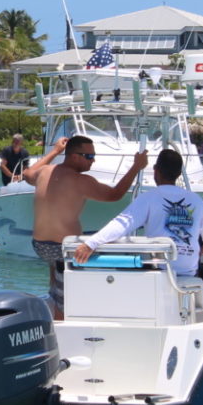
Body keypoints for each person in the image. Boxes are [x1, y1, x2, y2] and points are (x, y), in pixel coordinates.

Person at [25, 135, 149, 317]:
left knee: (57, 283)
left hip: (40, 246)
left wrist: (55, 151)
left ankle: (55, 299)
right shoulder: (81, 181)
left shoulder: (44, 172)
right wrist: (136, 167)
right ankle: (61, 326)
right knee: (68, 297)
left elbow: (27, 173)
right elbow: (115, 194)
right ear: (75, 156)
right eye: (89, 157)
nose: (93, 161)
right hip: (64, 250)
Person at [73, 147, 203, 278]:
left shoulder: (150, 197)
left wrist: (91, 243)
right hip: (187, 272)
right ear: (178, 173)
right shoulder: (196, 200)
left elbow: (123, 223)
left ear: (156, 170)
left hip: (160, 269)